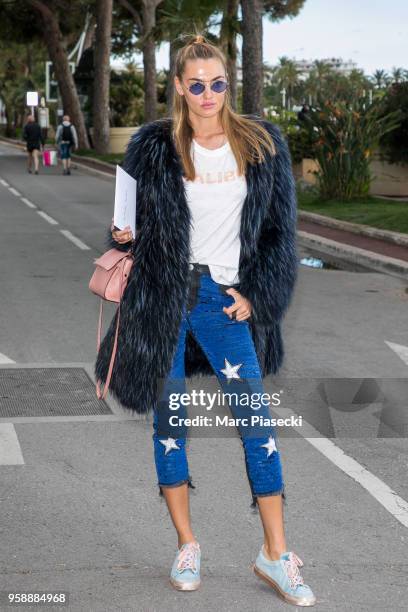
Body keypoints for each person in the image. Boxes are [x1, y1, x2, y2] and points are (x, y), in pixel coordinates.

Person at [95, 35, 316, 606]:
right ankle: (187, 544)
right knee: (171, 426)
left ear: (228, 83)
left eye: (217, 83)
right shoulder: (152, 148)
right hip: (164, 301)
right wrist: (122, 235)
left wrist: (257, 296)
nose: (208, 95)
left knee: (257, 428)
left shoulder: (261, 144)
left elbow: (278, 237)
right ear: (178, 87)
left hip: (223, 302)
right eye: (196, 85)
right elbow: (127, 224)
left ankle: (276, 553)